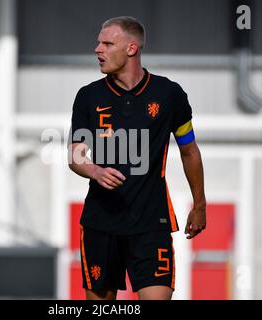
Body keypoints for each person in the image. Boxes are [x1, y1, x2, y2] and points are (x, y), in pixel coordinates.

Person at [68, 16, 206, 300]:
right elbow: (75, 155)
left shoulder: (169, 94)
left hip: (151, 225)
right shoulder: (88, 96)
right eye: (98, 43)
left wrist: (200, 205)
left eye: (107, 43)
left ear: (132, 48)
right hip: (100, 223)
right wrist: (94, 171)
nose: (98, 49)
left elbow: (189, 150)